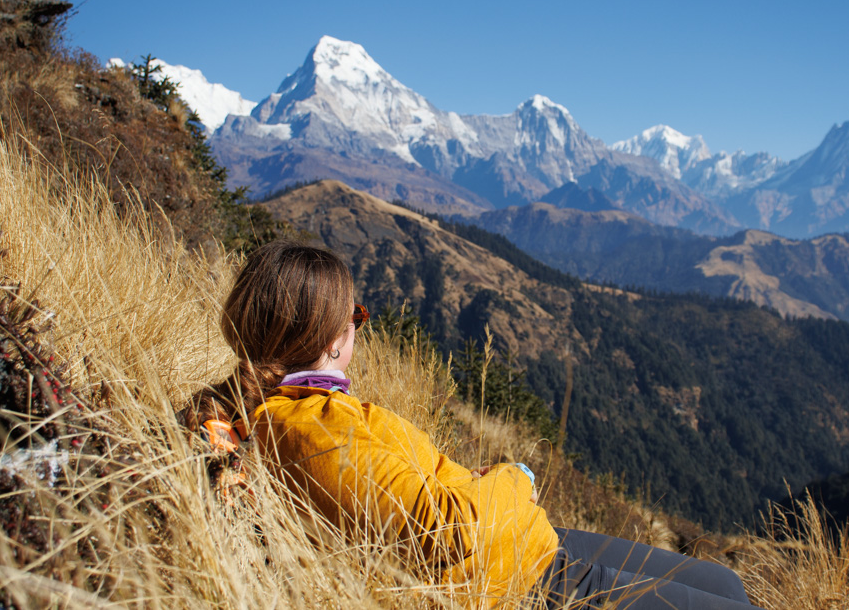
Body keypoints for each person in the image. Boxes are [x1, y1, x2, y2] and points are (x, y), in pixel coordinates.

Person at [179, 240, 758, 609]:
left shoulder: (304, 408)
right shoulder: (311, 430)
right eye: (356, 314)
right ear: (331, 338)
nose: (360, 325)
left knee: (727, 585)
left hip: (523, 542)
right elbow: (446, 532)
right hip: (524, 582)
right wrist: (513, 478)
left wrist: (475, 484)